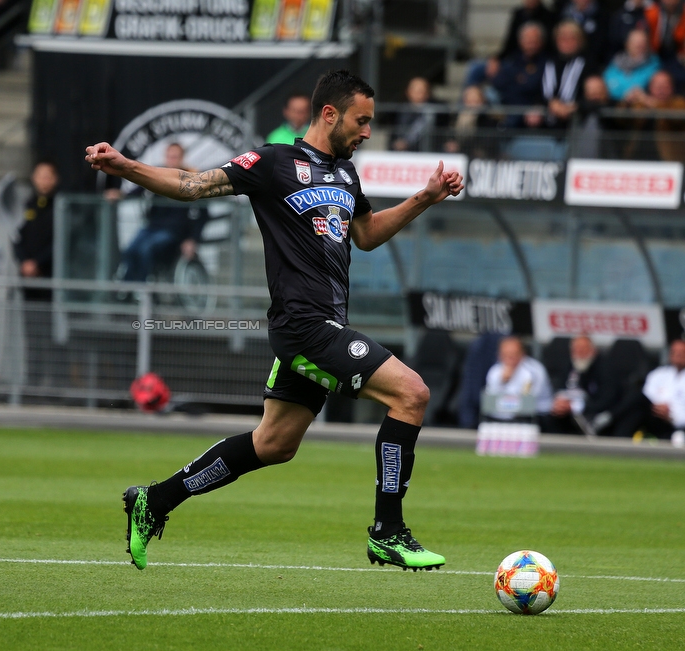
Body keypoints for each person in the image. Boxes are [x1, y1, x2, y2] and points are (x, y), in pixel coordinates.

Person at [86, 69, 465, 572]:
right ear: (329, 114)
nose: (367, 132)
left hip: (325, 325)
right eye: (362, 121)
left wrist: (423, 198)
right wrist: (126, 166)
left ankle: (154, 501)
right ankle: (388, 532)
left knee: (274, 444)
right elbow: (191, 185)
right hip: (304, 328)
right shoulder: (270, 161)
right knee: (411, 393)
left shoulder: (347, 174)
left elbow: (367, 235)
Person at [120, 142, 207, 283]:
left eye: (175, 157)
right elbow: (139, 188)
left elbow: (203, 213)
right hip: (152, 227)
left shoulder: (192, 178)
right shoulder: (158, 173)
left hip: (173, 232)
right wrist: (120, 195)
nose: (171, 160)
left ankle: (141, 287)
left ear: (182, 157)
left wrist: (193, 239)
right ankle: (126, 288)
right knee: (131, 249)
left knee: (146, 249)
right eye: (169, 156)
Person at [614, 339, 685, 439]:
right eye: (675, 352)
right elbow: (646, 397)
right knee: (636, 402)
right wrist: (658, 408)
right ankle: (620, 439)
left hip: (676, 424)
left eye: (682, 353)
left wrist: (671, 416)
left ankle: (609, 419)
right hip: (654, 417)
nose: (678, 355)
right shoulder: (658, 374)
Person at [545, 335, 614, 434]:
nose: (579, 353)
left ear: (593, 351)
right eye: (576, 349)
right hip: (566, 411)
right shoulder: (568, 365)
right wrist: (560, 402)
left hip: (591, 415)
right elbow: (560, 388)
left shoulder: (604, 368)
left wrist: (574, 405)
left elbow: (606, 400)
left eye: (583, 349)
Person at [14, 160, 58, 302]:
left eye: (48, 176)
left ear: (55, 179)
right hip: (27, 277)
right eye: (40, 176)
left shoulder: (61, 207)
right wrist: (24, 263)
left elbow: (59, 242)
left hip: (50, 276)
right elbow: (16, 236)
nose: (44, 180)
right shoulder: (26, 205)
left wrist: (38, 263)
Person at [483, 336, 553, 423]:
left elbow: (526, 403)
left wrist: (503, 401)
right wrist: (503, 381)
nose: (509, 359)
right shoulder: (495, 371)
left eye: (513, 354)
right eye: (505, 355)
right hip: (501, 419)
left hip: (535, 417)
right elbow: (490, 402)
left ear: (522, 353)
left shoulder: (534, 370)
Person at [389, 77, 446, 152]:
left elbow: (442, 133)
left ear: (428, 93)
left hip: (429, 152)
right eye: (414, 90)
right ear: (408, 92)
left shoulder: (438, 112)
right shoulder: (399, 111)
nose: (417, 94)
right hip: (404, 153)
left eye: (421, 91)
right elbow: (393, 134)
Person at [603, 28, 661, 100]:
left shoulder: (654, 63)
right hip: (616, 105)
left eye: (643, 42)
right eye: (635, 42)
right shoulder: (616, 62)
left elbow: (658, 87)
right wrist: (625, 94)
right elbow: (608, 84)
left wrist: (638, 93)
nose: (639, 46)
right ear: (627, 44)